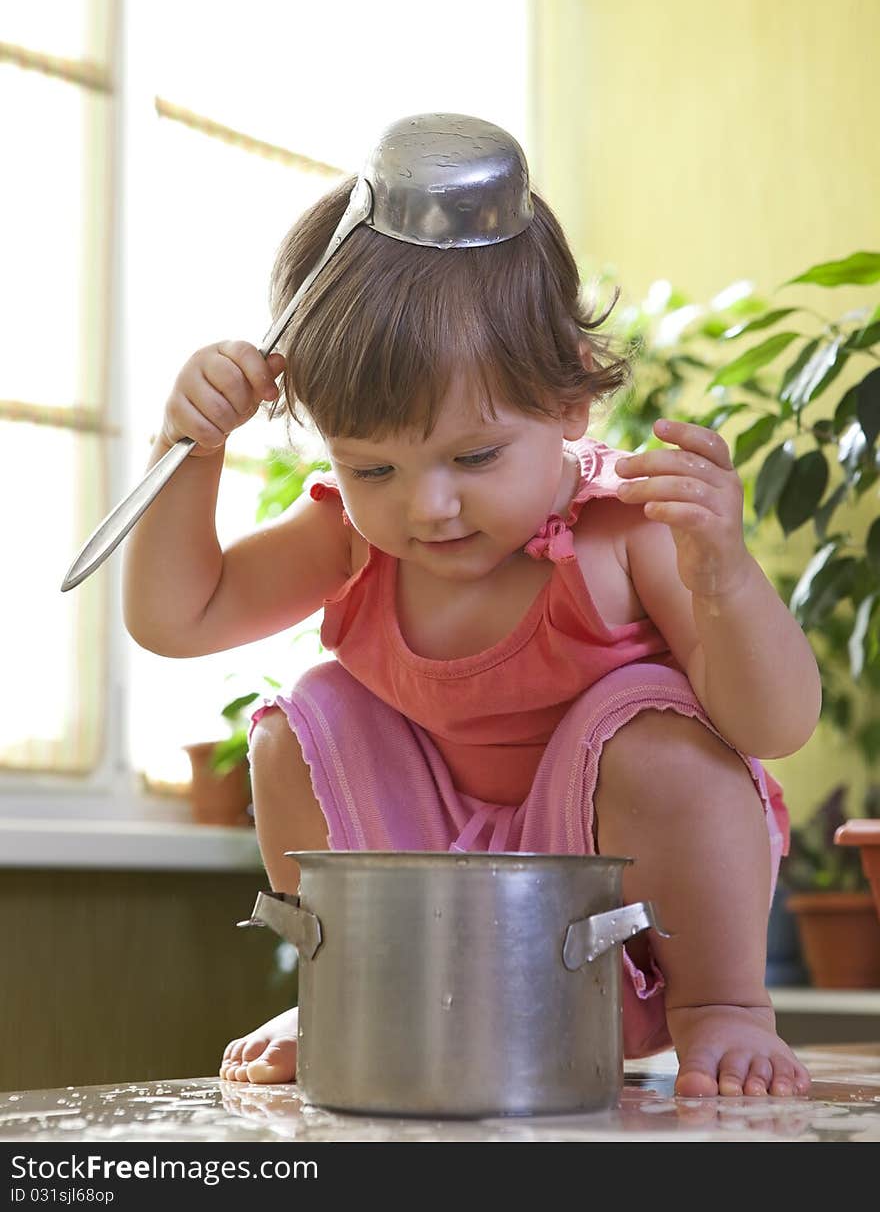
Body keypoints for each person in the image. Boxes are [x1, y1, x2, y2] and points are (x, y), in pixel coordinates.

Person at [122, 143, 821, 1101]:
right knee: (301, 723)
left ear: (570, 398)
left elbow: (772, 729)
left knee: (661, 734)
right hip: (425, 938)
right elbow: (179, 618)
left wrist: (726, 581)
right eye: (376, 469)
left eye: (477, 455)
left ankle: (727, 1007)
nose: (429, 508)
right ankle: (341, 985)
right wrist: (188, 451)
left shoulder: (625, 529)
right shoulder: (355, 540)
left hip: (616, 927)